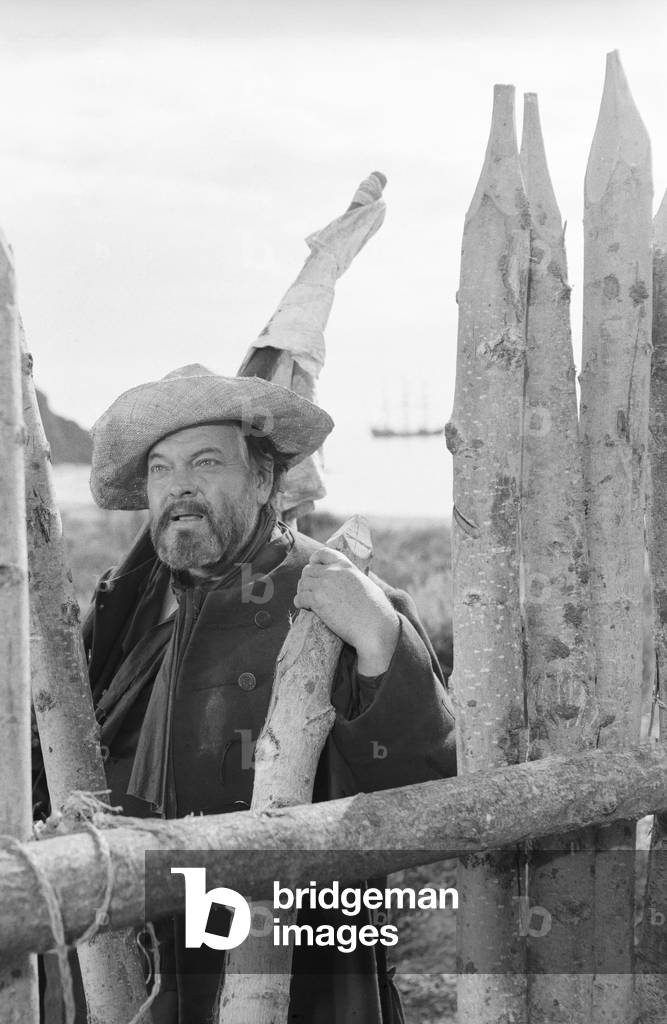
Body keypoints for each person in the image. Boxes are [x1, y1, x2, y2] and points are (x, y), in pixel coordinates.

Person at [41, 364, 456, 1023]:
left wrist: (382, 639)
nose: (179, 485)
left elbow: (430, 788)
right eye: (160, 469)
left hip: (289, 962)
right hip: (121, 951)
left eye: (206, 462)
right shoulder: (130, 601)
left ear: (264, 481)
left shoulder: (340, 598)